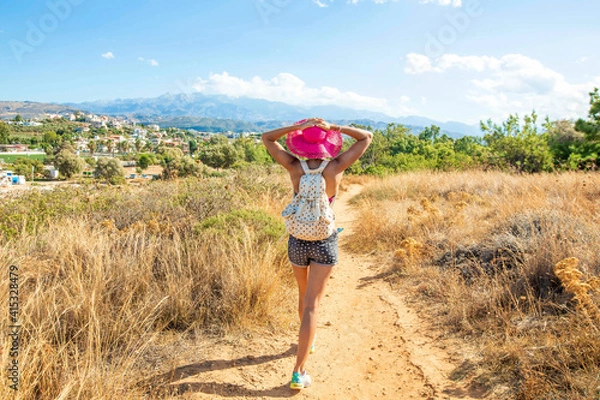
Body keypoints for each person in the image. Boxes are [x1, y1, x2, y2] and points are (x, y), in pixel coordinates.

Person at [262, 118, 373, 390]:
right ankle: (299, 371)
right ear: (327, 144)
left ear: (300, 143)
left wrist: (294, 127)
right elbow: (366, 137)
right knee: (313, 304)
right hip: (323, 239)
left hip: (298, 239)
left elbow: (267, 138)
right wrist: (335, 127)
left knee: (303, 295)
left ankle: (305, 342)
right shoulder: (335, 167)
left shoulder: (292, 166)